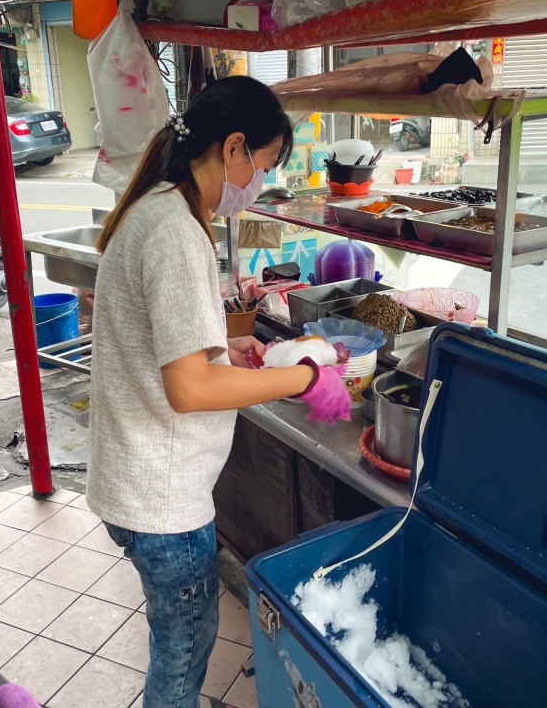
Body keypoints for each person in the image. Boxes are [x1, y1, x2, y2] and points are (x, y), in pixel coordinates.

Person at [87, 75, 351, 708]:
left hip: (134, 480)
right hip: (160, 500)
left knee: (180, 639)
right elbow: (189, 389)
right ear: (234, 149)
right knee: (182, 655)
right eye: (264, 164)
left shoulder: (159, 206)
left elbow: (173, 351)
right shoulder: (176, 230)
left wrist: (222, 349)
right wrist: (306, 377)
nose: (260, 181)